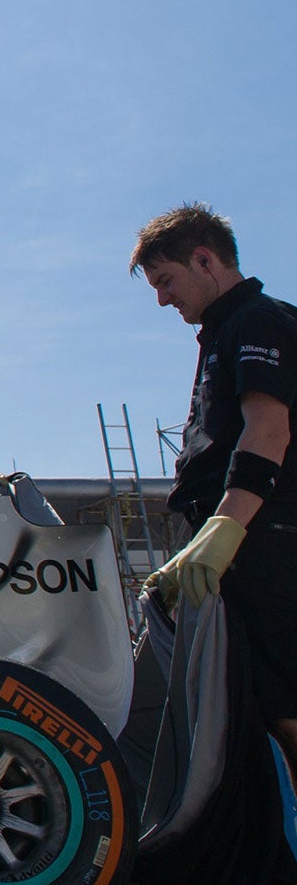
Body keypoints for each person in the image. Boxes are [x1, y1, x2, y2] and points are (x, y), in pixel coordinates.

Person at [133, 204, 297, 774]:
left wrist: (226, 529)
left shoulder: (256, 321)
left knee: (286, 707)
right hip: (240, 534)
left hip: (266, 535)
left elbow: (268, 429)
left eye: (166, 281)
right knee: (259, 710)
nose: (162, 299)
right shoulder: (224, 332)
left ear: (205, 260)